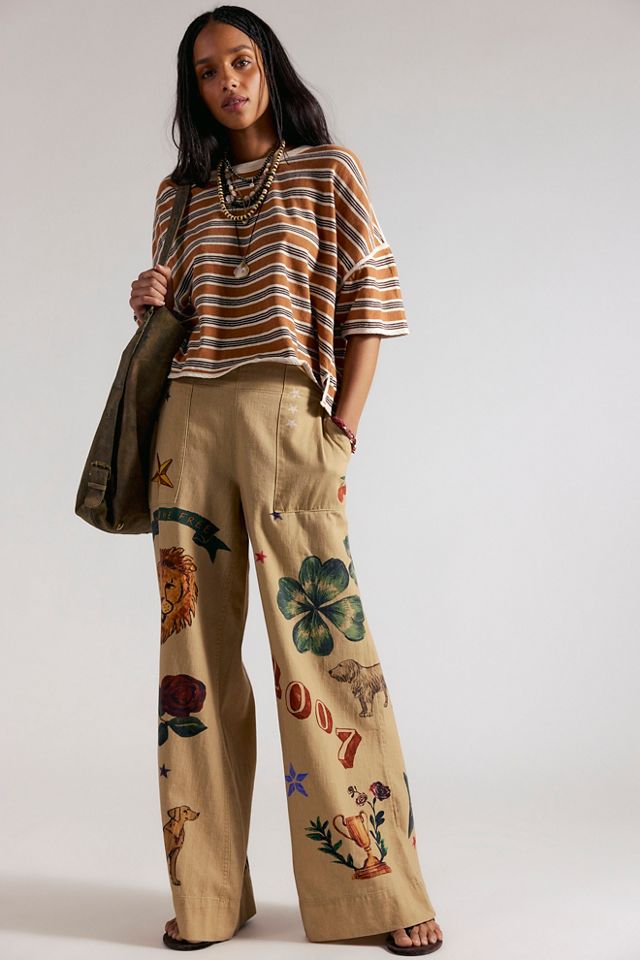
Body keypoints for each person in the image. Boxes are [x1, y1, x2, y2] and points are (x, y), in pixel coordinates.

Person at [130, 6, 444, 955]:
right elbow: (178, 318)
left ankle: (379, 892)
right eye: (207, 71)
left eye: (241, 61)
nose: (228, 81)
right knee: (193, 666)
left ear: (268, 67)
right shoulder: (178, 194)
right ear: (193, 90)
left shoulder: (328, 170)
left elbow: (370, 297)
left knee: (326, 657)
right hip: (188, 423)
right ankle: (208, 896)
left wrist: (342, 426)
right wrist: (151, 298)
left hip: (288, 416)